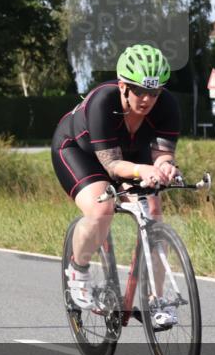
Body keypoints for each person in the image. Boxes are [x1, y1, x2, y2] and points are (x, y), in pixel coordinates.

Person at [51, 44, 182, 328]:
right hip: (79, 152)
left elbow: (162, 154)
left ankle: (157, 300)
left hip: (131, 155)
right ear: (123, 86)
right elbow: (111, 166)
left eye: (154, 92)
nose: (147, 99)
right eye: (139, 91)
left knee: (154, 212)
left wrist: (165, 167)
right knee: (103, 209)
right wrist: (141, 170)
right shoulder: (103, 101)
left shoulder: (168, 105)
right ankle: (78, 271)